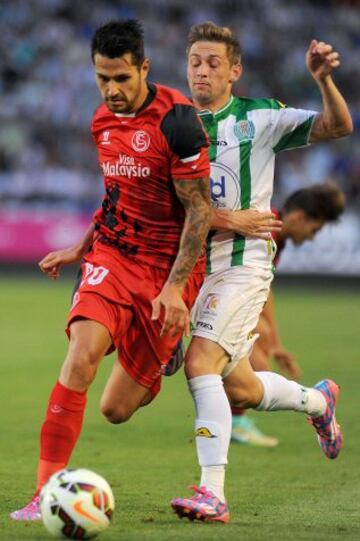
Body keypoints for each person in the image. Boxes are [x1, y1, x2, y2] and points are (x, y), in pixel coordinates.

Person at [10, 19, 216, 521]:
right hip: (114, 257)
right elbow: (115, 195)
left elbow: (200, 213)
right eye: (103, 78)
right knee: (80, 357)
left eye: (122, 78)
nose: (112, 90)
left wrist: (171, 291)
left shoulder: (179, 122)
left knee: (117, 409)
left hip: (169, 271)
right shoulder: (102, 121)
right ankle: (44, 493)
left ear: (143, 68)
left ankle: (156, 361)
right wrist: (80, 248)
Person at [170, 22, 352, 523]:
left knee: (199, 363)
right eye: (195, 62)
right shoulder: (175, 123)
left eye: (213, 63)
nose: (202, 71)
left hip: (243, 264)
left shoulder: (259, 118)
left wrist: (322, 80)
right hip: (195, 271)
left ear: (235, 70)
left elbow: (337, 127)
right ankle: (319, 402)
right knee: (240, 389)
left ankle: (213, 492)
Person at [231, 182, 346, 446]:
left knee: (259, 352)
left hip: (223, 294)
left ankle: (233, 420)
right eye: (314, 230)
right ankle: (315, 402)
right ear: (298, 217)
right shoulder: (265, 229)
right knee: (257, 369)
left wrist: (277, 344)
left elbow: (264, 289)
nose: (311, 237)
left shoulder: (275, 238)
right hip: (206, 290)